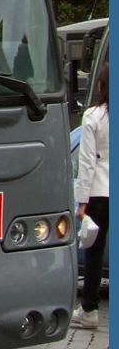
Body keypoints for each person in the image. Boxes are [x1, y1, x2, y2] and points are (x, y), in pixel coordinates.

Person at [72, 59, 109, 329]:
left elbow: (86, 162)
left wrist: (82, 200)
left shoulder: (93, 116)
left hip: (99, 192)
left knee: (94, 252)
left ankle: (89, 309)